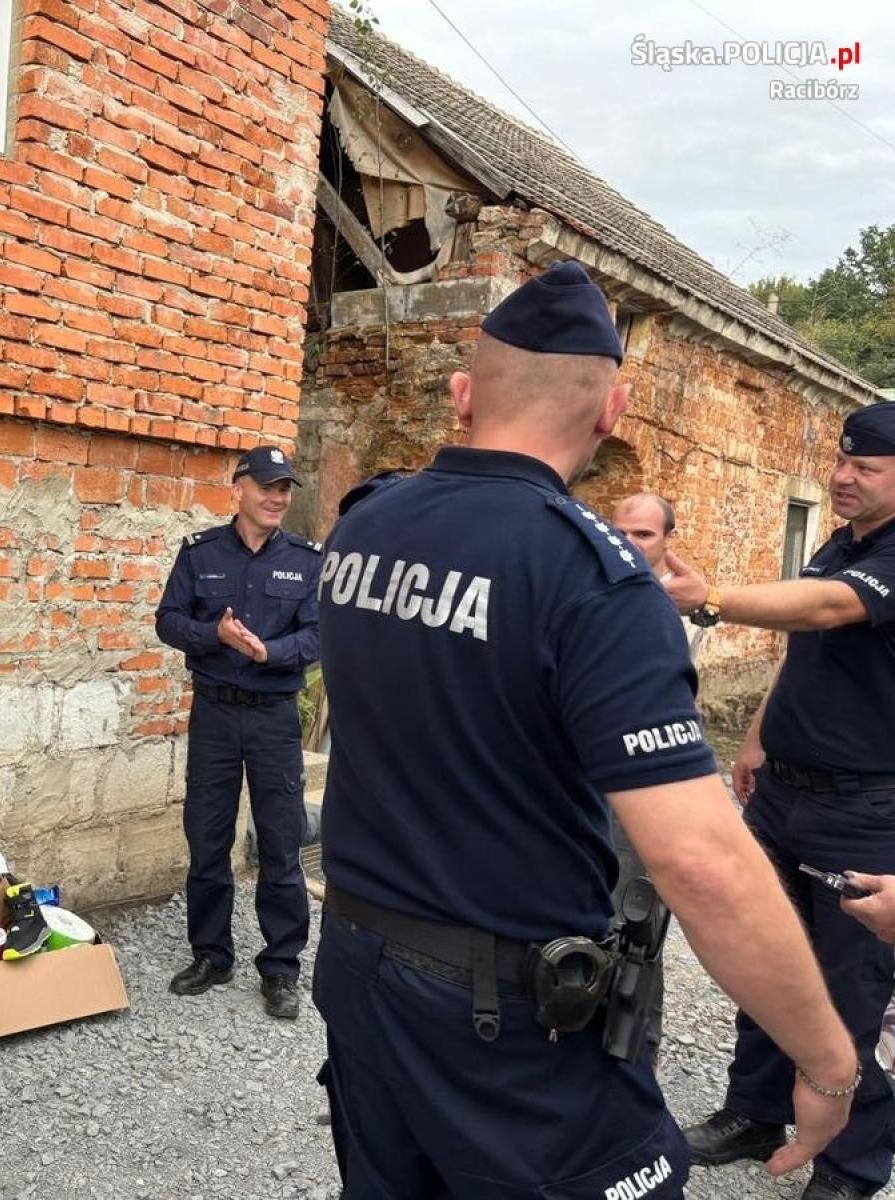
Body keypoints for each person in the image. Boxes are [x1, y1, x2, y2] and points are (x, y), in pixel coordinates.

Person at [313, 260, 855, 1198]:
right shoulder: (592, 578)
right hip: (504, 1015)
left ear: (462, 394)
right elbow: (702, 863)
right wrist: (826, 1061)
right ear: (614, 411)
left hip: (359, 966)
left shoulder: (365, 525)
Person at [666, 401, 895, 1199]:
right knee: (764, 956)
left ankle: (851, 1162)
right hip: (785, 791)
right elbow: (810, 650)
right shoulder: (842, 542)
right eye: (842, 461)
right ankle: (755, 1111)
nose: (843, 476)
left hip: (862, 810)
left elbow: (832, 608)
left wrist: (712, 598)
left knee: (847, 985)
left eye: (865, 467)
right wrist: (760, 732)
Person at [155, 445, 322, 1019]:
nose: (278, 498)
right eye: (268, 486)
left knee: (280, 844)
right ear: (239, 489)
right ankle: (211, 954)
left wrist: (268, 650)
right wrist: (214, 638)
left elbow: (319, 636)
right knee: (207, 837)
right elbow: (168, 621)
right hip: (216, 716)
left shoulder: (306, 560)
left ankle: (280, 968)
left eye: (285, 489)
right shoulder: (200, 553)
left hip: (274, 718)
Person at [604, 491, 703, 1068]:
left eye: (643, 534)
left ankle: (636, 1051)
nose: (629, 542)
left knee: (637, 919)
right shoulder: (602, 593)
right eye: (620, 530)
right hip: (589, 778)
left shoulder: (682, 612)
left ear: (668, 542)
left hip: (647, 783)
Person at [612, 492, 707, 657]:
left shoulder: (682, 601)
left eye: (643, 534)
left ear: (669, 538)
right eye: (619, 534)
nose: (627, 543)